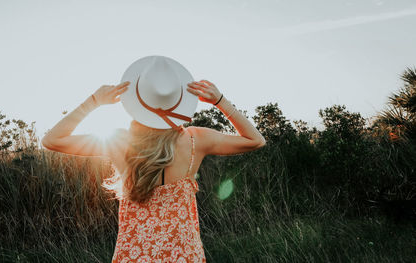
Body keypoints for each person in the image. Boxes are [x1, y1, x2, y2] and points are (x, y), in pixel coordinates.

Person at [41, 56, 266, 262]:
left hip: (134, 254)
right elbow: (255, 140)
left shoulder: (119, 141)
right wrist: (220, 101)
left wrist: (93, 101)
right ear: (179, 100)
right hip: (184, 255)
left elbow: (52, 140)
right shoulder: (196, 140)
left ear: (137, 100)